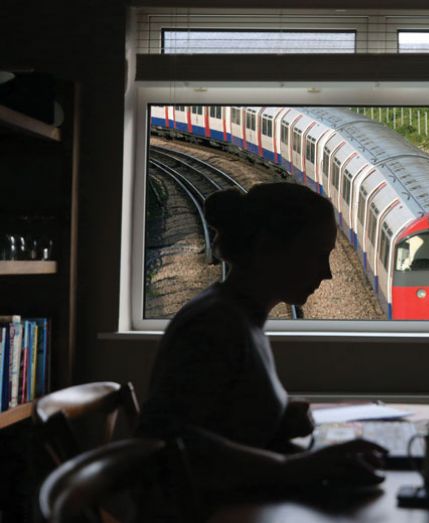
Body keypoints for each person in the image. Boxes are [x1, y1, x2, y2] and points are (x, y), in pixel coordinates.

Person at [137, 183, 386, 499]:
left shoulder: (236, 315)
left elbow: (218, 423)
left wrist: (278, 423)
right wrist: (293, 468)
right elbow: (165, 438)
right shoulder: (215, 326)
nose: (327, 274)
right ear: (268, 248)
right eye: (317, 255)